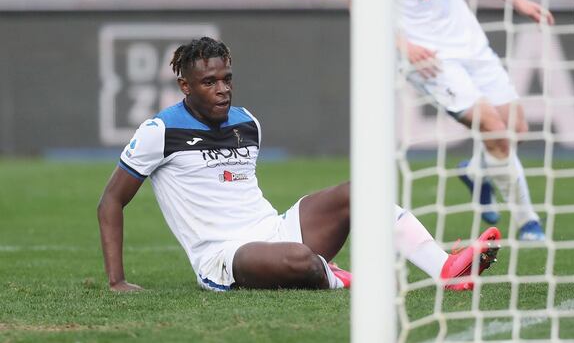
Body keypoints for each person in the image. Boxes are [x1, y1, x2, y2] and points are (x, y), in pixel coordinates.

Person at [97, 37, 500, 292]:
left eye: (227, 79)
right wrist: (117, 281)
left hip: (275, 229)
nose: (222, 89)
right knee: (299, 261)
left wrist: (279, 232)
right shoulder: (159, 130)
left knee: (359, 192)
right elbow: (111, 202)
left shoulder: (246, 122)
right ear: (185, 85)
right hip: (223, 255)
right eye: (209, 83)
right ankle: (335, 277)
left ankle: (445, 268)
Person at [345, 0, 553, 242]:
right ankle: (529, 223)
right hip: (426, 55)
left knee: (515, 127)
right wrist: (403, 46)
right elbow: (360, 3)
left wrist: (518, 0)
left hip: (466, 38)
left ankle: (477, 171)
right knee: (492, 125)